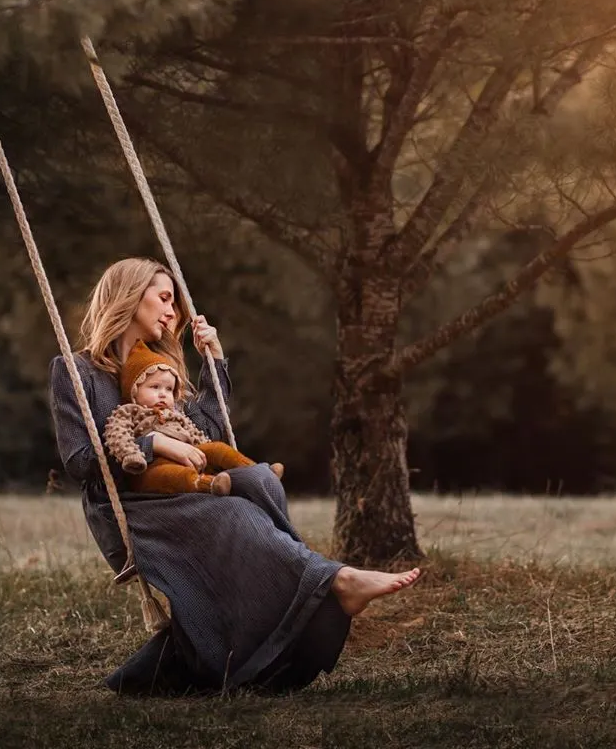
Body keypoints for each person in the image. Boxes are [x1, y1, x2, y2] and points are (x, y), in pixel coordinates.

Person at [48, 257, 421, 694]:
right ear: (130, 296)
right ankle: (333, 581)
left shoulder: (160, 369)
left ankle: (222, 645)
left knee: (259, 480)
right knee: (235, 518)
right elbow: (79, 462)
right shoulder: (77, 371)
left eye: (176, 304)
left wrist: (214, 362)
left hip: (186, 492)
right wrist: (155, 446)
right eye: (165, 298)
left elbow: (207, 435)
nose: (173, 312)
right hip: (131, 508)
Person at [104, 339, 284, 495]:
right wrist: (131, 455)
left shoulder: (175, 415)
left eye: (168, 389)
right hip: (152, 468)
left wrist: (207, 451)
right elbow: (117, 436)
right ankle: (209, 484)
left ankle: (259, 473)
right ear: (133, 390)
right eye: (154, 387)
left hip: (186, 456)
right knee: (171, 475)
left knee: (219, 449)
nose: (162, 394)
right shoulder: (129, 412)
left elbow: (196, 435)